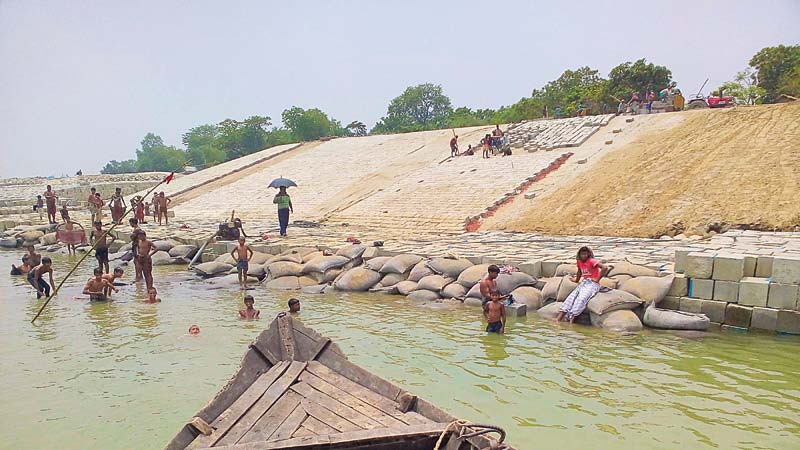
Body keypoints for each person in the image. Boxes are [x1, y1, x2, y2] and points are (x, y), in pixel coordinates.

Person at [555, 246, 613, 324]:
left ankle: (571, 322)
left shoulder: (592, 261)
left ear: (588, 254)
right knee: (571, 298)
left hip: (592, 284)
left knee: (581, 299)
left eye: (585, 254)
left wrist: (597, 279)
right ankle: (558, 320)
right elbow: (579, 271)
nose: (583, 256)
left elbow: (604, 268)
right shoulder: (579, 262)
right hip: (584, 283)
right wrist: (576, 280)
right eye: (582, 254)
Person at [129, 218, 144, 282]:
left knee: (137, 261)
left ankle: (139, 276)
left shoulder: (137, 230)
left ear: (132, 223)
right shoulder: (137, 229)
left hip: (136, 246)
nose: (130, 224)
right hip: (136, 246)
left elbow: (132, 237)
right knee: (136, 261)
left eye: (130, 223)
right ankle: (138, 276)